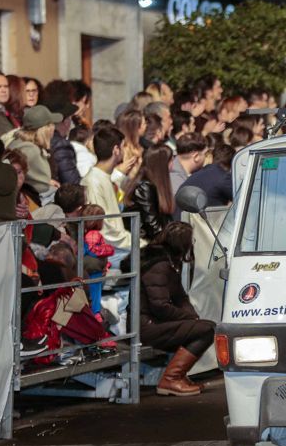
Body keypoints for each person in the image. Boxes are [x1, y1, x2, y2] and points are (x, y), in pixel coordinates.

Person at [137, 222, 215, 396]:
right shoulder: (159, 266)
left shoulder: (166, 261)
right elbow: (160, 306)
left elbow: (180, 297)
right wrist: (188, 319)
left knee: (205, 327)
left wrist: (192, 317)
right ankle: (171, 379)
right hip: (148, 325)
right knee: (207, 330)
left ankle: (176, 377)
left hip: (152, 322)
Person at [82, 126, 136, 263]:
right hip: (109, 251)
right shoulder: (93, 180)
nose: (124, 151)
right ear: (116, 150)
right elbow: (104, 227)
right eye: (123, 147)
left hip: (118, 245)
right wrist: (137, 242)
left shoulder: (105, 177)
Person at [7, 105, 61, 204]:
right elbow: (42, 187)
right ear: (46, 128)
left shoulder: (19, 142)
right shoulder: (31, 150)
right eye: (52, 124)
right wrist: (45, 182)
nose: (54, 127)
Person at [124, 146, 176, 241]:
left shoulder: (154, 185)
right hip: (142, 243)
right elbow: (152, 226)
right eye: (171, 161)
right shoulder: (144, 187)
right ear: (162, 164)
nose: (173, 165)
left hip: (153, 239)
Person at [183, 142, 234, 208]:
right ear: (231, 163)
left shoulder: (198, 174)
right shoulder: (223, 178)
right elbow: (242, 199)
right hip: (205, 216)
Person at [42, 97, 80, 185]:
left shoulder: (39, 139)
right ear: (66, 121)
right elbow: (72, 182)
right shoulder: (61, 145)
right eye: (70, 119)